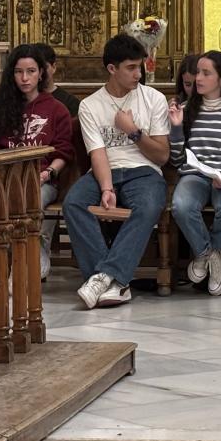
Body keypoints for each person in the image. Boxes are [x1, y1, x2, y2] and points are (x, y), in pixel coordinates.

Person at [64, 34, 171, 309]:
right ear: (112, 69)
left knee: (148, 206)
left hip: (144, 172)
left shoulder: (154, 99)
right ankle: (114, 281)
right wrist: (107, 188)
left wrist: (134, 132)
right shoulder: (90, 105)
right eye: (131, 68)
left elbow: (161, 155)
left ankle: (104, 277)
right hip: (105, 171)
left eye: (141, 66)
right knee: (74, 203)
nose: (139, 73)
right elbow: (97, 153)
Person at [0, 45, 74, 280]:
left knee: (32, 198)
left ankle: (29, 260)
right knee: (3, 198)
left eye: (31, 71)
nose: (24, 78)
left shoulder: (56, 109)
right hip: (6, 180)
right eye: (19, 72)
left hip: (42, 180)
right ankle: (16, 257)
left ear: (41, 73)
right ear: (11, 75)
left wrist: (49, 173)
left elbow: (63, 151)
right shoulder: (1, 109)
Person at [168, 51, 221, 297]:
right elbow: (177, 159)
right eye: (197, 72)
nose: (198, 78)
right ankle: (210, 254)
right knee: (181, 205)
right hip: (195, 175)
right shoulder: (186, 110)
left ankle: (213, 250)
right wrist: (176, 129)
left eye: (206, 73)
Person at [31, 43, 80, 117]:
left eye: (44, 67)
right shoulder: (23, 100)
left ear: (53, 67)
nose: (40, 73)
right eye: (33, 69)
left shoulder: (70, 103)